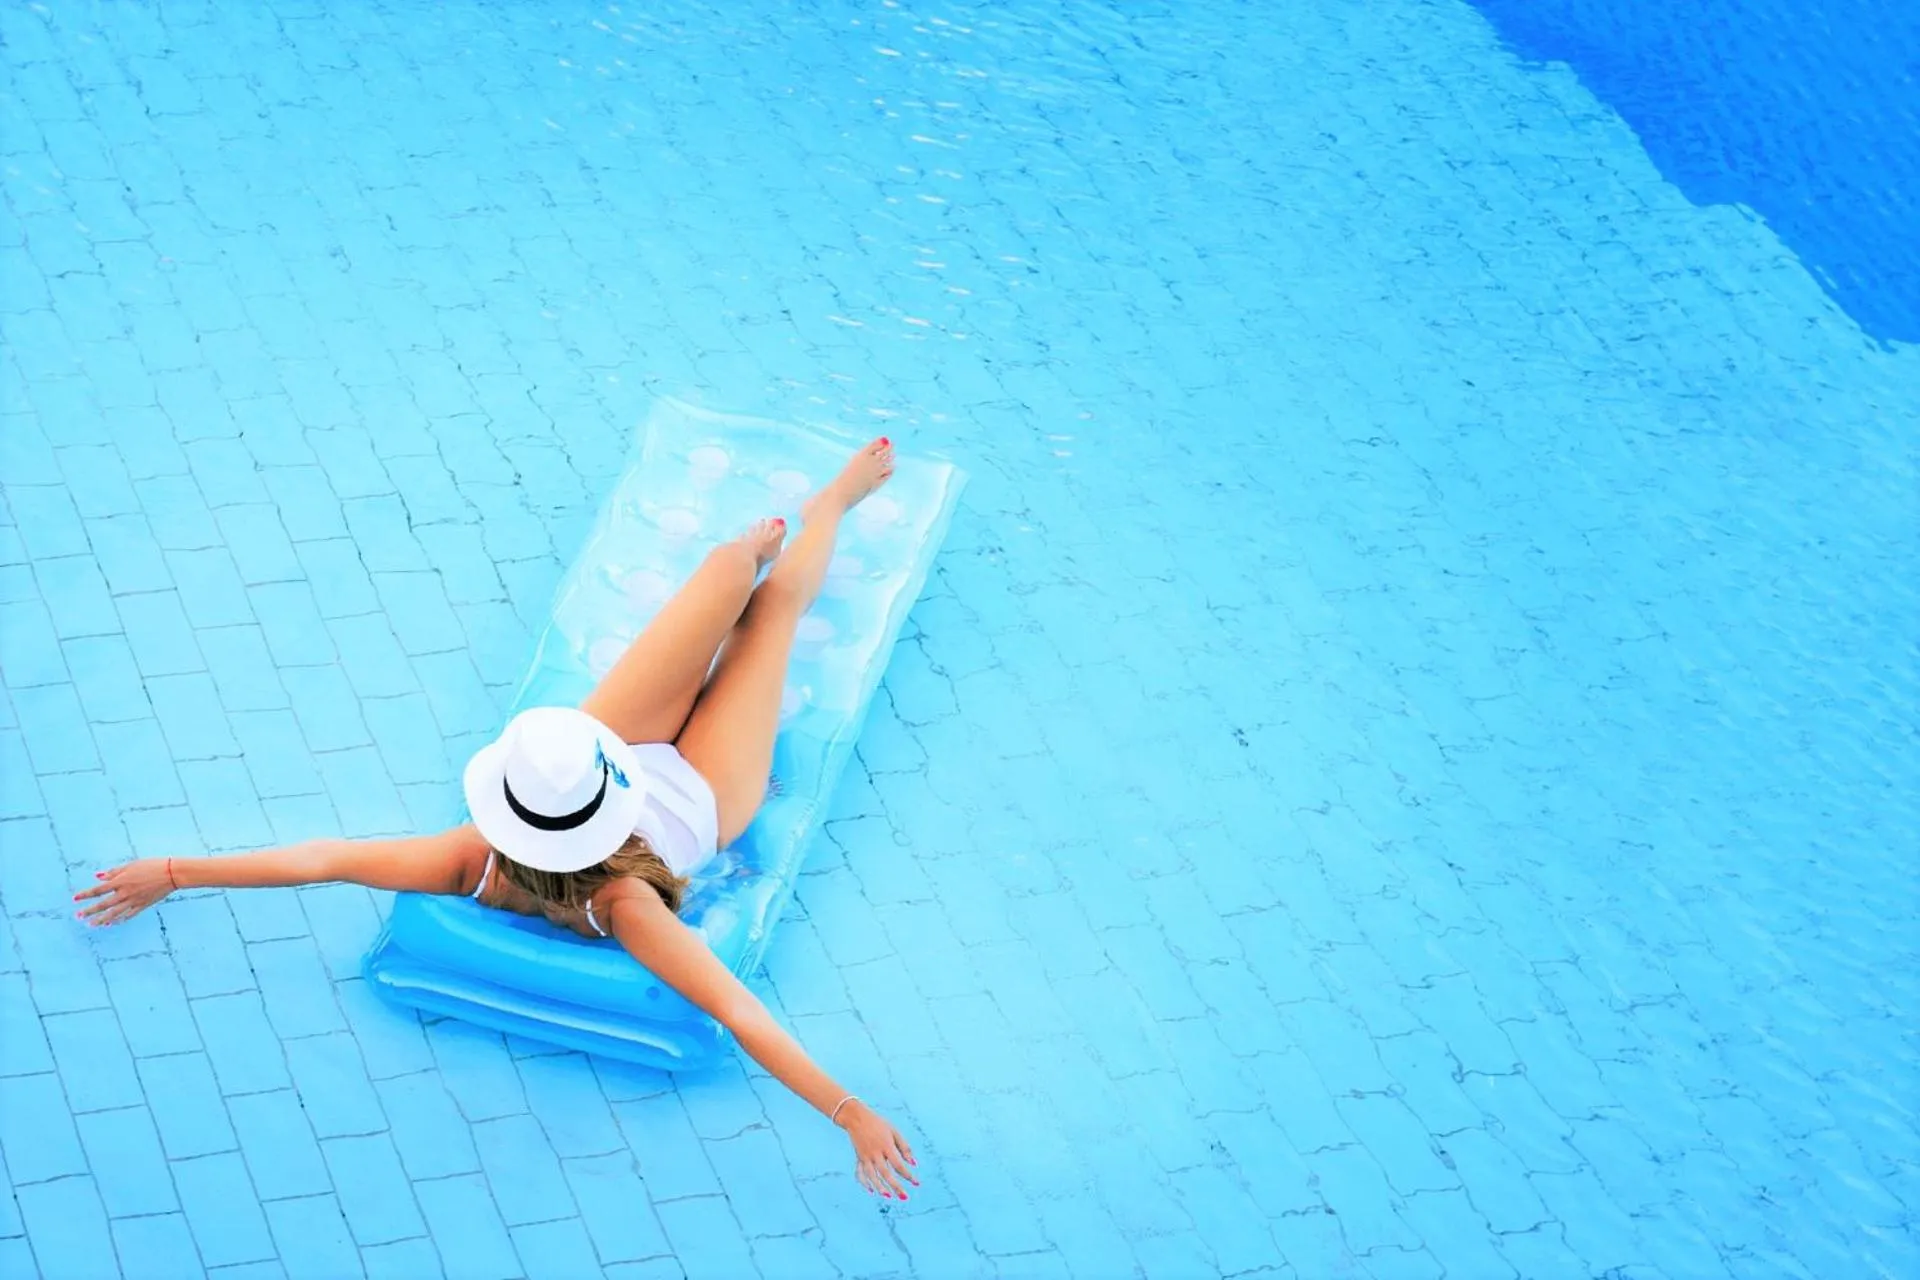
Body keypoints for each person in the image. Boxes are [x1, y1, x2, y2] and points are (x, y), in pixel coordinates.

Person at [77, 438, 920, 1202]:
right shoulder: (622, 907)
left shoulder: (471, 858)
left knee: (730, 569)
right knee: (767, 619)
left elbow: (325, 860)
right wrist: (845, 1112)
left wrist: (180, 872)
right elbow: (737, 1011)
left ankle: (747, 555)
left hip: (611, 753)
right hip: (702, 790)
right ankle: (830, 506)